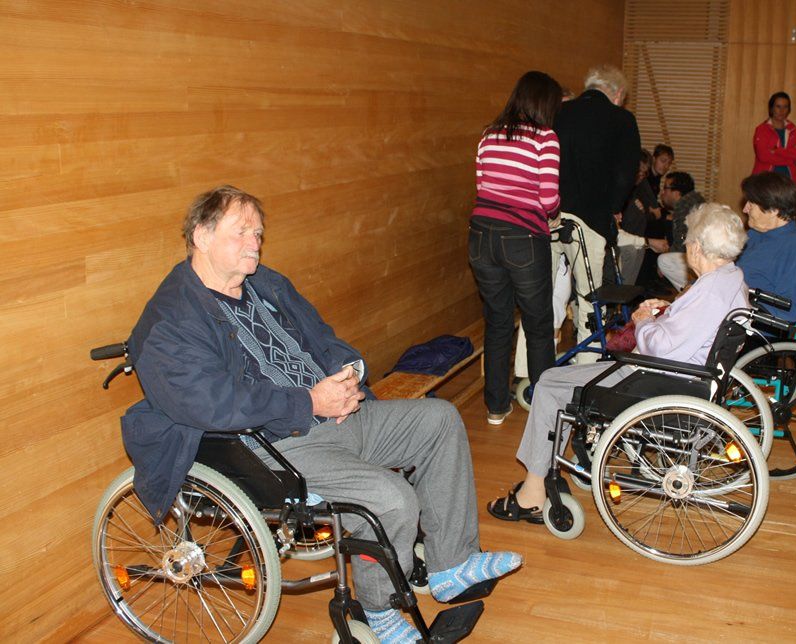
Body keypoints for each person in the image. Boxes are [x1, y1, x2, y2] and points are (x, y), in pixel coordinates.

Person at [122, 186, 522, 643]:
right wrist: (311, 402)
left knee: (439, 420)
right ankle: (379, 613)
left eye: (258, 233)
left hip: (334, 414)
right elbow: (213, 403)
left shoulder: (265, 283)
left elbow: (321, 336)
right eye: (242, 232)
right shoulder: (171, 320)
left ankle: (451, 564)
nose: (255, 243)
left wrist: (349, 372)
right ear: (201, 236)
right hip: (274, 447)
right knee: (391, 499)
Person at [487, 203, 749, 520]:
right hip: (681, 377)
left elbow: (661, 348)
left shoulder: (709, 292)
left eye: (688, 240)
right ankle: (550, 468)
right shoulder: (730, 278)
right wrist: (667, 313)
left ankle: (532, 493)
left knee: (549, 384)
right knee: (564, 379)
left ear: (697, 247)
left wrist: (642, 322)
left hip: (657, 380)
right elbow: (690, 333)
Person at [469, 71, 563, 425]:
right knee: (538, 325)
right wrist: (553, 214)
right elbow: (548, 198)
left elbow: (482, 185)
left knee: (497, 322)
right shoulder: (545, 138)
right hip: (523, 239)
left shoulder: (489, 134)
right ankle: (545, 411)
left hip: (481, 236)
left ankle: (496, 406)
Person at [553, 64, 641, 363]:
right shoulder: (622, 119)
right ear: (618, 93)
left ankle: (530, 369)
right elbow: (625, 174)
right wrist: (613, 208)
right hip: (590, 219)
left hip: (550, 215)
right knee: (590, 297)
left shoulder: (558, 112)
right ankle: (586, 366)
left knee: (542, 296)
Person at [737, 172, 796, 322]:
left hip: (751, 324)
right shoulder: (754, 234)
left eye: (751, 204)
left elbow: (789, 311)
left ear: (773, 209)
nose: (745, 209)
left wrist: (736, 303)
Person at [616, 148, 664, 284]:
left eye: (645, 173)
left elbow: (655, 210)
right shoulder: (619, 188)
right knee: (632, 249)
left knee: (639, 248)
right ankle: (623, 291)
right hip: (617, 237)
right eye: (639, 172)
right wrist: (648, 242)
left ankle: (629, 289)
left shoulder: (639, 186)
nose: (641, 176)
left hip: (628, 234)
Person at [655, 171, 705, 291]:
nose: (662, 193)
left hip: (701, 257)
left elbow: (682, 241)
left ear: (677, 193)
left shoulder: (683, 207)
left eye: (665, 188)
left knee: (663, 261)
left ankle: (691, 294)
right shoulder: (696, 200)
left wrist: (665, 259)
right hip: (706, 256)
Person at [752, 91, 796, 189]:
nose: (782, 111)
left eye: (785, 107)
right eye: (778, 106)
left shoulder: (793, 130)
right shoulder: (762, 129)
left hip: (789, 182)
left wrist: (777, 151)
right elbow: (763, 156)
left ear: (789, 109)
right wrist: (790, 159)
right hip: (766, 183)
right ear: (771, 108)